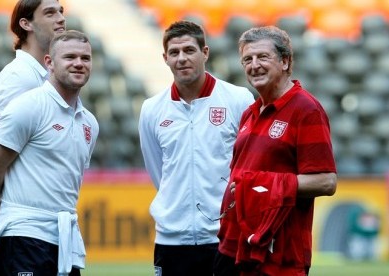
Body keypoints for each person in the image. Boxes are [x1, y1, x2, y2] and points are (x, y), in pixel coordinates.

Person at [215, 26, 337, 276]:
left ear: (285, 61)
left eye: (262, 57)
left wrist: (260, 186)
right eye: (247, 59)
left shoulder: (306, 109)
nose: (254, 65)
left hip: (280, 254)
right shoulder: (250, 112)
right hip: (237, 247)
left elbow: (326, 182)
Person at [0, 30, 98, 276]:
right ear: (49, 63)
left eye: (85, 58)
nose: (78, 63)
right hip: (23, 236)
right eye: (70, 57)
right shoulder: (28, 106)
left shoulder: (90, 123)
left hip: (64, 240)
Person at [138, 20, 254, 276]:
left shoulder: (238, 99)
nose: (182, 58)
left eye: (189, 50)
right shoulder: (151, 109)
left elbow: (248, 165)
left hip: (226, 236)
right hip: (172, 240)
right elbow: (158, 171)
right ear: (165, 58)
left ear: (205, 53)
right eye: (174, 53)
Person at [0, 0, 66, 254]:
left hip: (39, 227)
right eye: (50, 13)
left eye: (61, 12)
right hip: (23, 230)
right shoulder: (21, 78)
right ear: (26, 23)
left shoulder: (40, 75)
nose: (60, 18)